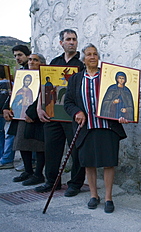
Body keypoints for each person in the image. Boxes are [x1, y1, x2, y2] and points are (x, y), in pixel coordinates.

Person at [64, 43, 127, 213]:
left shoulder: (108, 77)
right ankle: (93, 195)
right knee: (88, 163)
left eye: (95, 54)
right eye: (89, 54)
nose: (92, 57)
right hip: (86, 127)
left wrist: (124, 112)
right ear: (83, 59)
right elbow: (68, 102)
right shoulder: (76, 79)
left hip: (107, 126)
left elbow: (121, 99)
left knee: (108, 163)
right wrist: (77, 112)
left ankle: (108, 197)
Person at [35, 29, 85, 197]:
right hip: (53, 114)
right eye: (68, 39)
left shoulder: (82, 64)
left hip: (73, 115)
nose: (72, 42)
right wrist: (39, 107)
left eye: (74, 39)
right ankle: (52, 181)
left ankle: (75, 183)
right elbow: (44, 87)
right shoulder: (54, 62)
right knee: (52, 149)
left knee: (76, 150)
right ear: (61, 43)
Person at [5, 53, 47, 186]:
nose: (32, 62)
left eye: (35, 60)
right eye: (30, 60)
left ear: (42, 63)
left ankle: (38, 174)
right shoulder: (21, 76)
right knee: (22, 143)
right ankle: (28, 171)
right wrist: (6, 107)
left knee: (39, 145)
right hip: (21, 116)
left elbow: (43, 97)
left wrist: (32, 112)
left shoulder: (44, 77)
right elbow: (14, 95)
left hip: (37, 117)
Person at [0, 65, 12, 169]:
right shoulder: (10, 83)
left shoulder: (5, 84)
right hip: (5, 111)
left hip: (6, 112)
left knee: (7, 135)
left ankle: (6, 158)